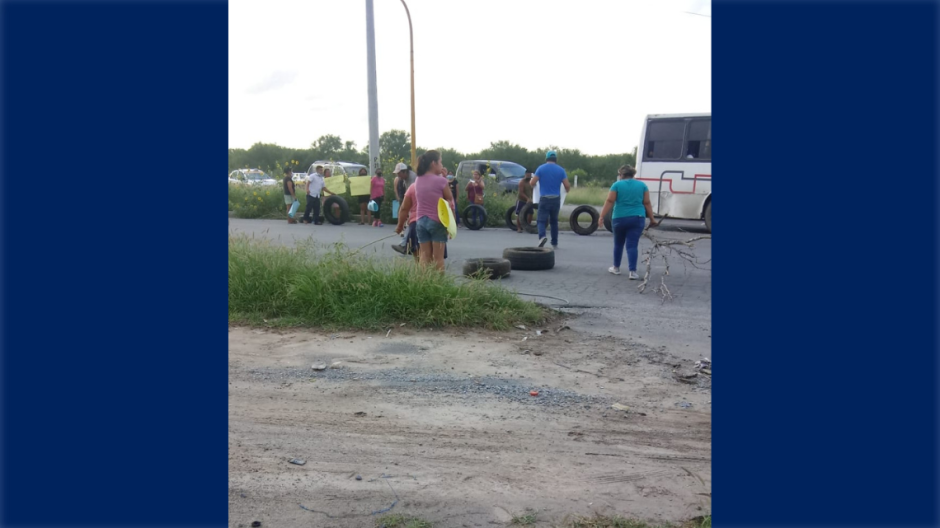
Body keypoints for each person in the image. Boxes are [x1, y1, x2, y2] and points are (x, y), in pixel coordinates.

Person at [396, 150, 454, 271]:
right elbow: (450, 202)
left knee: (424, 256)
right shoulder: (442, 181)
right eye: (440, 162)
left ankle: (424, 283)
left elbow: (405, 207)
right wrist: (451, 225)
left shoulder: (418, 180)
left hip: (421, 222)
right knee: (438, 258)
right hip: (437, 222)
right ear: (434, 163)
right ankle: (439, 286)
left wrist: (400, 226)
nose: (442, 166)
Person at [598, 165, 658, 280]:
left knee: (618, 243)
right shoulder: (642, 185)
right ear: (633, 175)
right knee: (632, 244)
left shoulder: (616, 185)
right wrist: (652, 219)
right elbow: (647, 203)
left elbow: (610, 201)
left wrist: (601, 216)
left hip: (619, 218)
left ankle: (616, 268)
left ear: (621, 175)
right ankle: (633, 272)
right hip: (637, 218)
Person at [530, 150, 570, 249]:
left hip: (544, 198)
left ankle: (542, 237)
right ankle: (554, 241)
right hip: (556, 199)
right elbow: (567, 186)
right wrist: (565, 191)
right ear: (556, 159)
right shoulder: (561, 170)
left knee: (541, 221)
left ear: (546, 158)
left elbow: (532, 183)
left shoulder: (541, 168)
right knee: (554, 221)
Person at [515, 168, 534, 233]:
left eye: (530, 175)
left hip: (529, 201)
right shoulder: (521, 182)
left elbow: (532, 191)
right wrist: (527, 198)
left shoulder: (531, 182)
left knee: (530, 213)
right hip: (521, 200)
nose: (529, 176)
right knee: (520, 214)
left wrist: (532, 198)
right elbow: (521, 192)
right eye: (527, 175)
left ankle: (527, 226)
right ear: (525, 174)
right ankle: (518, 228)